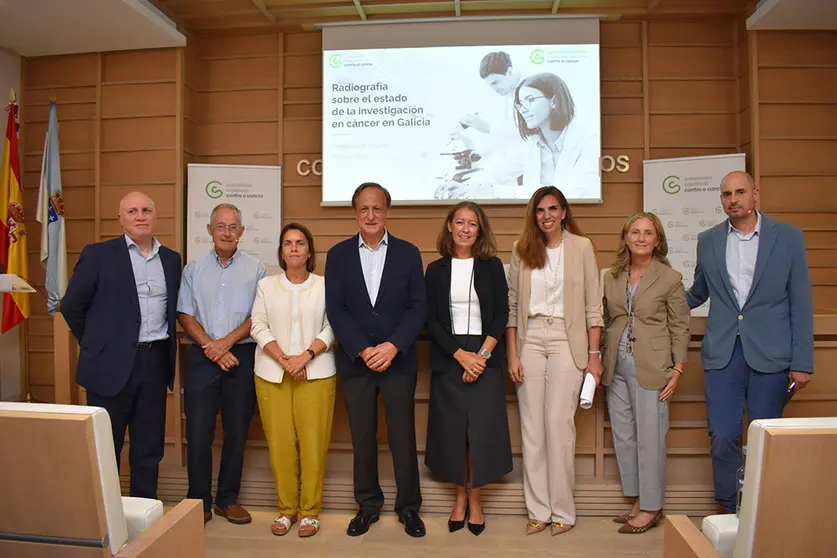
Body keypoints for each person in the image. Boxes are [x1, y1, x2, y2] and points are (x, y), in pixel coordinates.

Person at [687, 170, 814, 514]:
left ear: (755, 195)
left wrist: (803, 362)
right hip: (723, 353)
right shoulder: (708, 239)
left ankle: (764, 509)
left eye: (740, 192)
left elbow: (800, 301)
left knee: (764, 435)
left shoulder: (787, 237)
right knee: (723, 434)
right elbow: (698, 292)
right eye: (726, 194)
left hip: (773, 354)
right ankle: (730, 510)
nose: (733, 199)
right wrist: (655, 300)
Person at [62, 191, 181, 499]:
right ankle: (108, 521)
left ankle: (144, 515)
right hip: (107, 366)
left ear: (155, 217)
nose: (140, 216)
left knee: (148, 448)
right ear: (121, 219)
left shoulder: (171, 259)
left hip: (154, 364)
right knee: (106, 446)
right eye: (132, 211)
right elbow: (72, 306)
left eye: (146, 210)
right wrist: (96, 344)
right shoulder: (99, 254)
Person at [325, 182, 427, 538]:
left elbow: (418, 307)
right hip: (356, 362)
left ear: (387, 211)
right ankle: (367, 506)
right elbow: (336, 309)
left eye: (377, 208)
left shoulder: (408, 252)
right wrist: (362, 349)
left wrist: (393, 346)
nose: (371, 215)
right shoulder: (337, 255)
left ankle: (409, 508)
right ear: (355, 212)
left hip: (398, 362)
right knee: (362, 438)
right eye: (364, 209)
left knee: (402, 438)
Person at [506, 185, 603, 536]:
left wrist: (594, 356)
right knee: (531, 428)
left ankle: (563, 510)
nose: (546, 216)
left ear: (563, 211)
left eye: (552, 209)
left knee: (558, 426)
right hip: (530, 338)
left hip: (567, 338)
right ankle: (538, 510)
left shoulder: (582, 247)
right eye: (539, 210)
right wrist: (513, 352)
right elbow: (513, 307)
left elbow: (594, 305)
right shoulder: (522, 249)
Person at [424, 201, 512, 536]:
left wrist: (482, 357)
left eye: (472, 224)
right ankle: (459, 498)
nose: (464, 229)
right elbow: (430, 320)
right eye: (459, 222)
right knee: (453, 433)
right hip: (450, 355)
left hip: (485, 353)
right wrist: (461, 355)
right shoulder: (435, 270)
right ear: (449, 226)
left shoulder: (492, 267)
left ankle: (476, 500)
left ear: (480, 230)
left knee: (480, 433)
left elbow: (502, 315)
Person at [176, 203, 266, 525]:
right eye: (221, 227)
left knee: (237, 431)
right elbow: (185, 314)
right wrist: (211, 348)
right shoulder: (193, 269)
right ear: (209, 230)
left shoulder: (257, 269)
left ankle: (227, 499)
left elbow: (259, 316)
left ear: (241, 232)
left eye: (233, 227)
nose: (227, 233)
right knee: (198, 434)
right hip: (201, 356)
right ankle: (198, 501)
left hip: (241, 356)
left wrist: (224, 345)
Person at [602, 212, 690, 534]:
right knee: (625, 437)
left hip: (653, 369)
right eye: (635, 232)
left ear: (657, 240)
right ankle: (638, 500)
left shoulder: (670, 278)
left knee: (650, 439)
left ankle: (652, 507)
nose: (641, 238)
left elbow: (681, 327)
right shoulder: (610, 276)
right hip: (616, 366)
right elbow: (605, 319)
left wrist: (677, 370)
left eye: (648, 233)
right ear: (625, 237)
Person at [250, 223, 336, 538]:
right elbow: (257, 325)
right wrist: (284, 359)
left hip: (316, 372)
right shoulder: (266, 286)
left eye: (300, 243)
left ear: (309, 251)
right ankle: (286, 509)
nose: (295, 248)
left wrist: (304, 357)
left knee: (314, 445)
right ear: (282, 252)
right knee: (281, 446)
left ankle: (310, 511)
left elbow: (331, 326)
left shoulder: (325, 285)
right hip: (273, 374)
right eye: (288, 243)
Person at [513, 73, 599, 199]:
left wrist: (515, 192)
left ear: (553, 101)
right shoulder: (530, 143)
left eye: (530, 100)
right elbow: (497, 171)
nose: (523, 109)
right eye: (520, 104)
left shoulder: (588, 140)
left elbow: (572, 193)